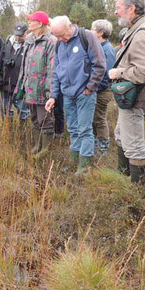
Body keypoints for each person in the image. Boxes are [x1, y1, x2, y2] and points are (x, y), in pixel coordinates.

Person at [108, 0, 145, 186]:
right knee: (121, 137)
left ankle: (138, 195)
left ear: (131, 9)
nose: (115, 12)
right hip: (131, 98)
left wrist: (118, 73)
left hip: (135, 99)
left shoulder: (141, 34)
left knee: (134, 147)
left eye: (118, 8)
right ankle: (124, 179)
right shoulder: (139, 28)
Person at [46, 16, 106, 174]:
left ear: (70, 26)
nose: (60, 39)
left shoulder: (87, 37)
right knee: (72, 129)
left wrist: (90, 87)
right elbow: (56, 71)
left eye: (62, 35)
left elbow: (99, 65)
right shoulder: (59, 43)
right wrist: (53, 95)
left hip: (84, 94)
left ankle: (84, 166)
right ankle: (74, 161)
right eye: (56, 36)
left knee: (84, 130)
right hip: (67, 95)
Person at [15, 11, 57, 158]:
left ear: (39, 24)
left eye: (31, 21)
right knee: (34, 118)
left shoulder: (51, 41)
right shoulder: (29, 39)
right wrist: (22, 84)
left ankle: (45, 149)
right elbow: (24, 65)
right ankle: (37, 145)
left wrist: (49, 90)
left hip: (42, 89)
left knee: (44, 119)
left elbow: (52, 68)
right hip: (29, 87)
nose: (29, 23)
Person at [90, 19, 116, 157]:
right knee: (93, 117)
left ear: (100, 33)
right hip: (96, 89)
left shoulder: (108, 50)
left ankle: (103, 146)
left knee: (100, 118)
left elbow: (108, 75)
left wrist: (95, 88)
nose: (91, 32)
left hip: (103, 91)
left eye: (93, 29)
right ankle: (94, 143)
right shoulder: (98, 47)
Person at [0, 22, 30, 120]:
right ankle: (9, 131)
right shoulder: (8, 42)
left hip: (20, 85)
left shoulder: (29, 45)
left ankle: (22, 131)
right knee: (5, 110)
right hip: (5, 82)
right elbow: (1, 59)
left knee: (23, 110)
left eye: (20, 35)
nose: (18, 37)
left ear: (26, 33)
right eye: (16, 34)